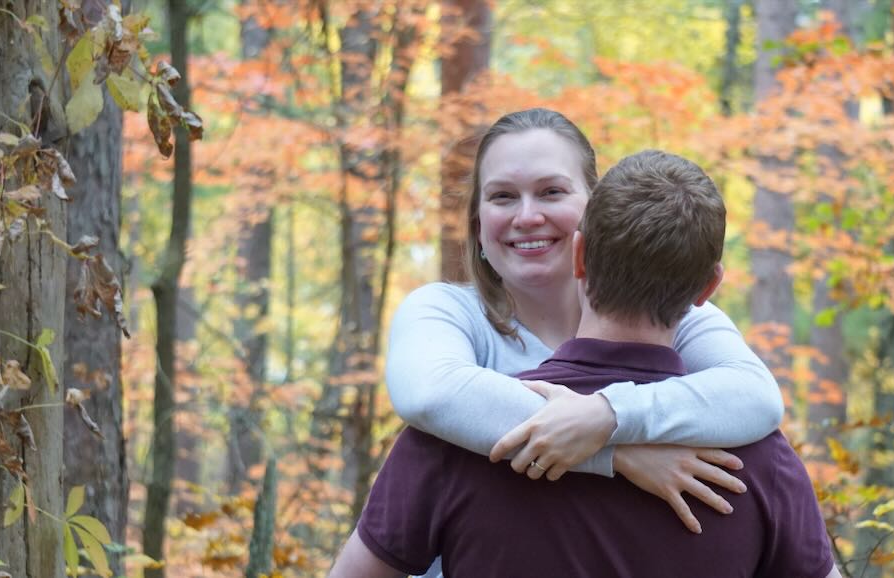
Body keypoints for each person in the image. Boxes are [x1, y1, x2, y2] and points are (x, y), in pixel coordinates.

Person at [330, 149, 839, 577]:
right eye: (505, 195)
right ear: (709, 288)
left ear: (579, 256)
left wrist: (607, 426)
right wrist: (616, 452)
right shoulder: (757, 459)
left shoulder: (451, 444)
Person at [382, 109, 785, 532]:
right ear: (477, 222)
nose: (526, 216)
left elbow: (755, 397)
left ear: (594, 205)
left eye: (551, 191)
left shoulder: (670, 315)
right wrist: (618, 455)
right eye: (502, 197)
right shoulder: (444, 312)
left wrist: (608, 416)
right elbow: (431, 395)